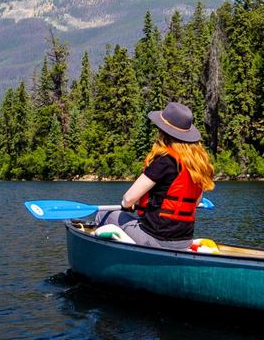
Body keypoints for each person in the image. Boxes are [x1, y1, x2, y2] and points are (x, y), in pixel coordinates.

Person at [92, 101, 215, 249]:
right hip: (184, 241)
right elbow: (194, 203)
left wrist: (127, 206)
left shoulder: (164, 161)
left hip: (157, 240)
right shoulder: (197, 165)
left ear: (163, 132)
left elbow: (128, 198)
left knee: (104, 215)